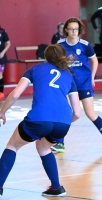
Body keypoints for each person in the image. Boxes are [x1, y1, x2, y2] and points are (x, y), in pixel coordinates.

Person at [0, 44, 81, 197]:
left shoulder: (35, 69)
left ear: (46, 56)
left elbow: (16, 94)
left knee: (12, 145)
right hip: (63, 123)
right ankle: (56, 188)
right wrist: (62, 122)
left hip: (39, 119)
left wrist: (2, 112)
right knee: (44, 148)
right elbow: (77, 112)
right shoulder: (69, 75)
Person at [56, 17, 102, 153]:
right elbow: (56, 62)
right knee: (67, 113)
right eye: (71, 29)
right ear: (66, 30)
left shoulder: (85, 45)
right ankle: (60, 142)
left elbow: (94, 61)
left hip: (84, 83)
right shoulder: (60, 44)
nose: (74, 31)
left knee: (90, 113)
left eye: (76, 29)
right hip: (68, 85)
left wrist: (92, 77)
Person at [0, 25, 11, 102]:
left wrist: (3, 52)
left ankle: (1, 94)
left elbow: (8, 43)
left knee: (0, 74)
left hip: (1, 57)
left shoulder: (2, 31)